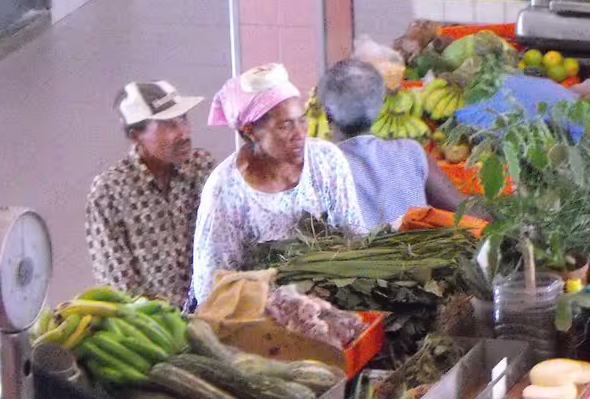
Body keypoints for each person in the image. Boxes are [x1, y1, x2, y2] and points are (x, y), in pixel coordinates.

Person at [189, 64, 366, 307]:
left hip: (330, 301)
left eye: (301, 121)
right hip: (257, 313)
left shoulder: (327, 160)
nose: (300, 134)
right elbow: (211, 285)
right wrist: (275, 302)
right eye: (285, 126)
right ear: (250, 131)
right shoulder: (225, 189)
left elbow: (353, 233)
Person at [83, 81, 215, 308]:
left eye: (184, 119)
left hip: (212, 310)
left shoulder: (202, 168)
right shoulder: (109, 192)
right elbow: (119, 284)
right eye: (168, 125)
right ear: (136, 136)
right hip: (156, 326)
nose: (184, 133)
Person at [318, 59, 467, 227]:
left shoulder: (319, 167)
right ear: (381, 106)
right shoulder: (411, 152)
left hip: (353, 253)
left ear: (327, 112)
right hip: (416, 251)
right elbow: (464, 210)